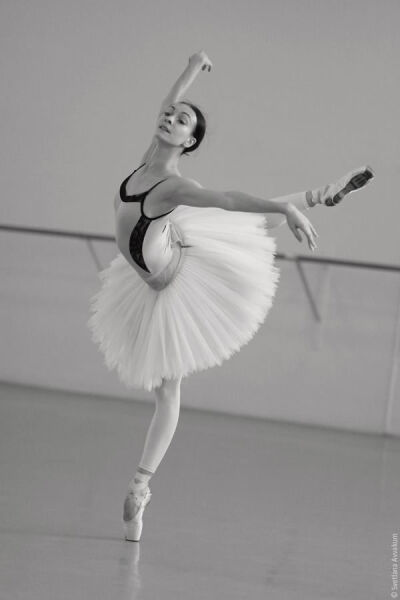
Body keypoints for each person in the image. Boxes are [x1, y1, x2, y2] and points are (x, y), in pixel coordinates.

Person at [87, 51, 374, 542]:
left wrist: (283, 210)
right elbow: (168, 99)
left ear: (190, 141)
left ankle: (140, 488)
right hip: (159, 258)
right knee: (234, 229)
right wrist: (193, 67)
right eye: (170, 116)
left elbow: (229, 198)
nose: (171, 118)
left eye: (182, 122)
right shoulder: (142, 164)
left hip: (177, 277)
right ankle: (317, 196)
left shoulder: (174, 185)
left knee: (170, 388)